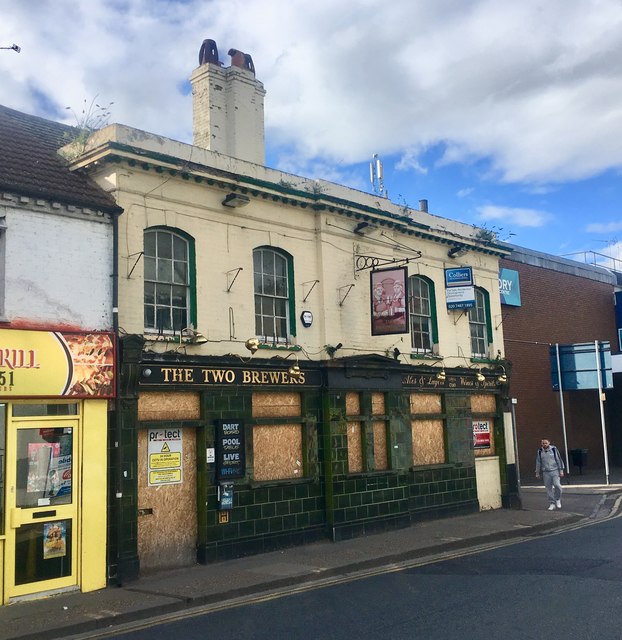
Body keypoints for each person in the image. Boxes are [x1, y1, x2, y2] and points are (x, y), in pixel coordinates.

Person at [535, 438, 565, 510]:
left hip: (555, 470)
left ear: (549, 443)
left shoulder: (554, 449)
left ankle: (557, 499)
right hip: (546, 472)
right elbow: (538, 462)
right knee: (548, 488)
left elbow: (558, 459)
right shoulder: (539, 451)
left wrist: (561, 470)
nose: (544, 444)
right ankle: (552, 503)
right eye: (543, 443)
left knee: (557, 485)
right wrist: (537, 472)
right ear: (541, 444)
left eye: (546, 443)